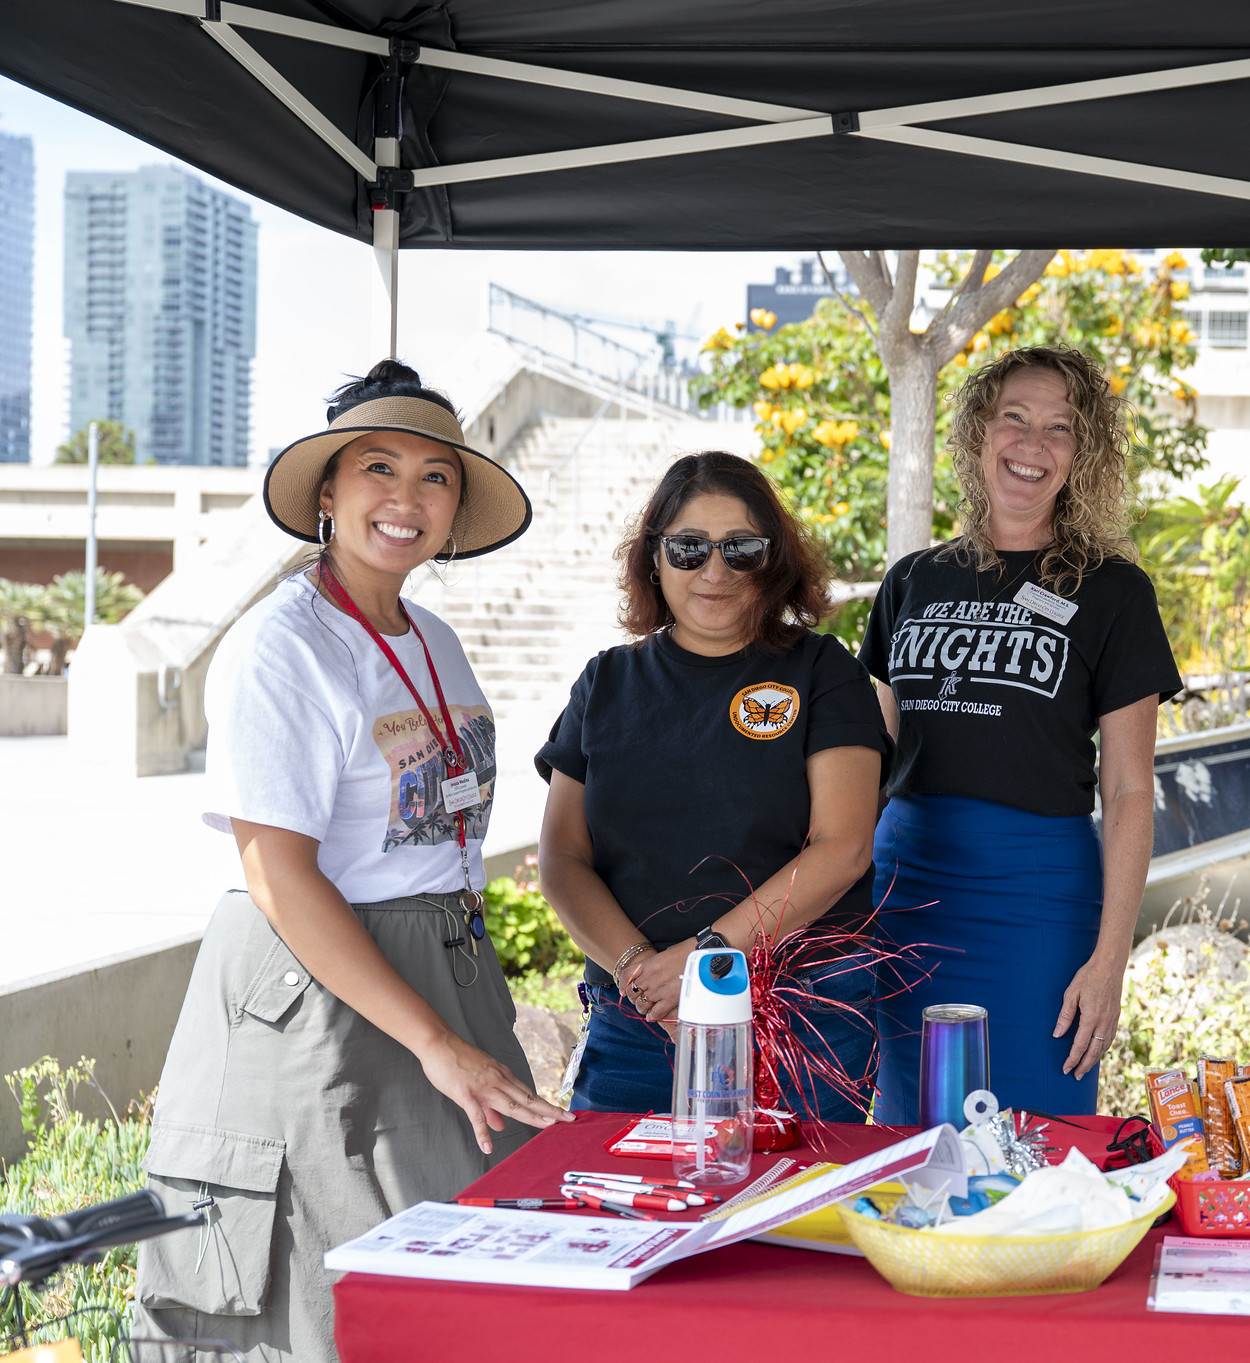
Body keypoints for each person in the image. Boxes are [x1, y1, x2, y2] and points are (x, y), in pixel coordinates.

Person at [134, 361, 566, 1362]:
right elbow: (278, 873)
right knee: (324, 1296)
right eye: (378, 468)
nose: (405, 499)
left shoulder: (437, 639)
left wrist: (457, 1024)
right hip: (319, 992)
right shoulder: (281, 646)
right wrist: (433, 1038)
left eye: (433, 477)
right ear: (326, 493)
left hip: (439, 971)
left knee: (455, 1267)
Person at [859, 346, 1182, 1120]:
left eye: (1060, 429)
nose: (1032, 445)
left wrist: (1111, 960)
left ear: (1083, 453)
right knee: (912, 1141)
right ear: (979, 433)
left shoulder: (1114, 592)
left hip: (1039, 899)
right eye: (1015, 418)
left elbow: (1132, 788)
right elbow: (865, 765)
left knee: (1037, 1139)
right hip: (907, 898)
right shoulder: (911, 580)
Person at [536, 452, 888, 1118]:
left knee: (784, 1217)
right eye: (690, 547)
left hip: (799, 1014)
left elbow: (843, 848)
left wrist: (704, 963)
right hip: (638, 1019)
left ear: (774, 558)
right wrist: (645, 975)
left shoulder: (823, 672)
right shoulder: (605, 682)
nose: (715, 569)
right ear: (655, 558)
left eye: (742, 548)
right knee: (618, 1214)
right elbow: (562, 858)